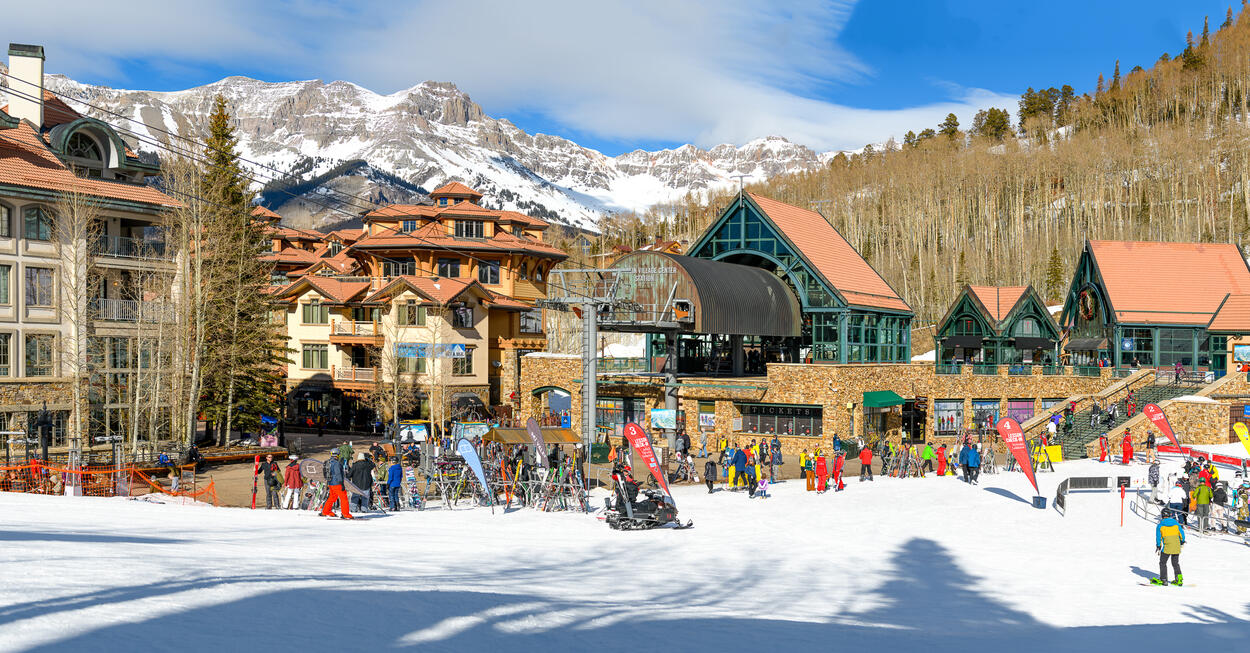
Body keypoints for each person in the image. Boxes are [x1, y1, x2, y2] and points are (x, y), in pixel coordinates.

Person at [1152, 509, 1185, 586]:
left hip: (1167, 547)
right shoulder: (1176, 524)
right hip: (1176, 546)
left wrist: (1158, 546)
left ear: (1162, 515)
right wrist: (1182, 541)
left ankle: (1164, 579)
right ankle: (1179, 579)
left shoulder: (1160, 525)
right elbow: (1182, 533)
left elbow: (1158, 537)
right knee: (1175, 563)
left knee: (1163, 563)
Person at [320, 450, 353, 519]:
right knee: (343, 498)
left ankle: (325, 511)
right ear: (337, 455)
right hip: (337, 483)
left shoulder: (328, 462)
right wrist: (342, 483)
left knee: (332, 497)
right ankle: (345, 514)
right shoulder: (336, 463)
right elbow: (338, 474)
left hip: (330, 482)